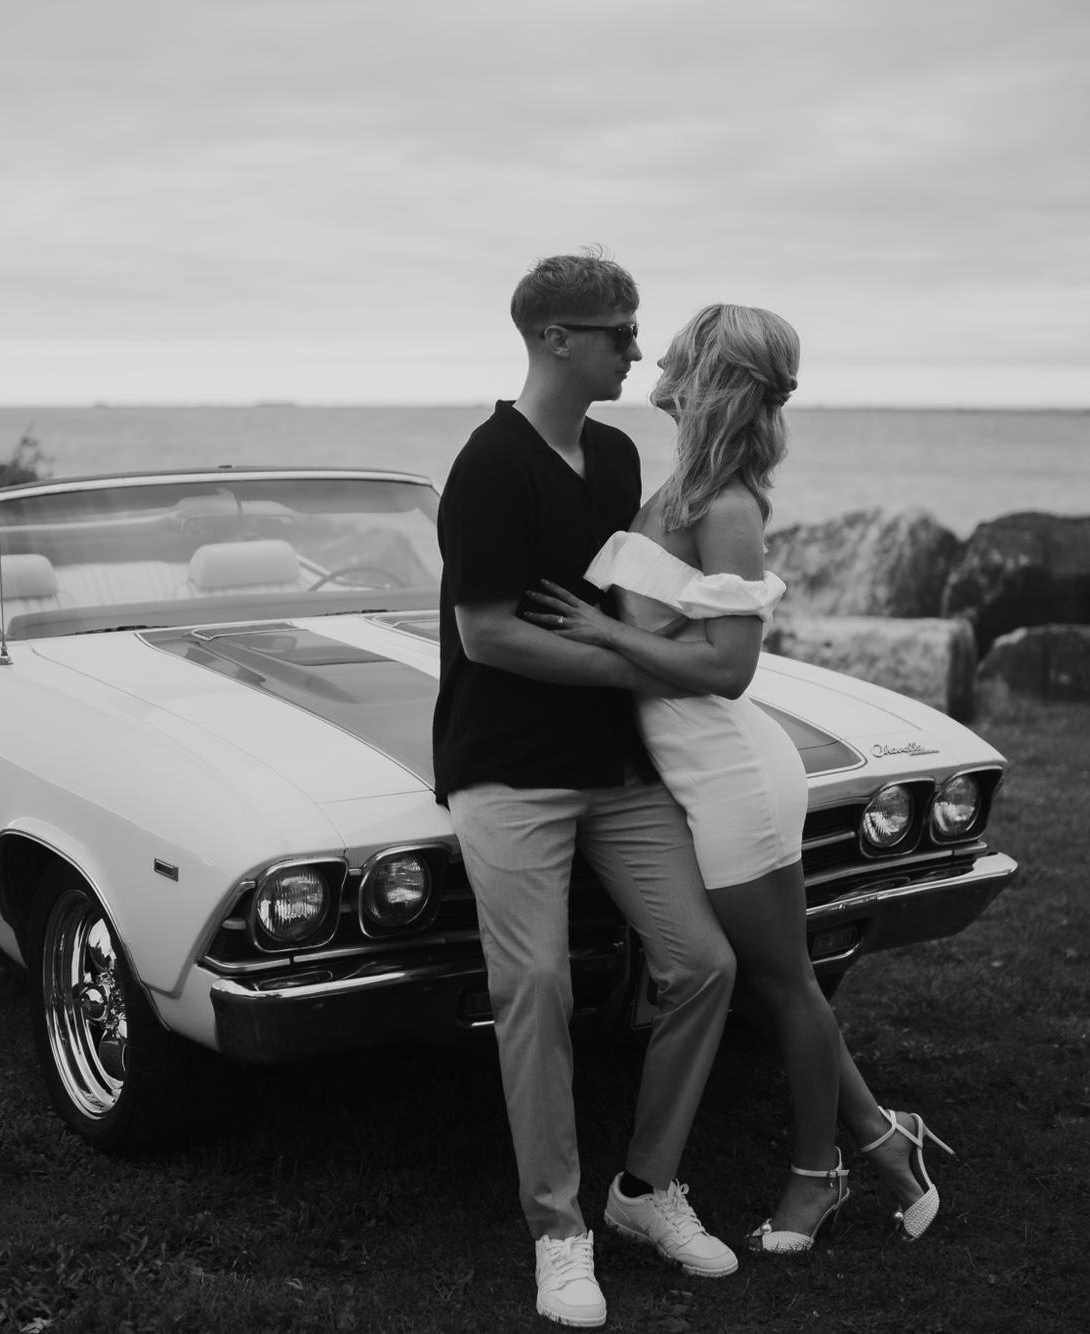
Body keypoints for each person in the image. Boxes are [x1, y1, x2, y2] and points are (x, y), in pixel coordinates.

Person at [525, 303, 957, 1253]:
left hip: (732, 777)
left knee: (783, 987)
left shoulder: (726, 508)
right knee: (775, 980)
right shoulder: (677, 489)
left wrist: (603, 634)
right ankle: (885, 1140)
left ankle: (816, 1178)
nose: (654, 359)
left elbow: (729, 668)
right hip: (696, 771)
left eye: (676, 352)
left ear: (708, 378)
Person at [434, 254, 739, 1328]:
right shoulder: (487, 466)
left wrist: (703, 631)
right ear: (556, 338)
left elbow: (628, 600)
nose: (637, 349)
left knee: (703, 964)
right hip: (507, 768)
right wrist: (635, 668)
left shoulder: (614, 455)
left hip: (614, 767)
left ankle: (644, 1192)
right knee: (536, 986)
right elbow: (488, 633)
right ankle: (557, 1232)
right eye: (619, 331)